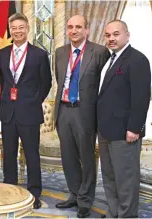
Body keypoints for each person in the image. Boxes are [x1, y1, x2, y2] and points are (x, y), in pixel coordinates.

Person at [53, 15, 110, 218]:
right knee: (68, 157)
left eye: (78, 27)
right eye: (70, 27)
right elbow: (60, 80)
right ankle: (74, 194)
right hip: (64, 110)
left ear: (86, 30)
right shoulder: (60, 53)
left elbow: (105, 84)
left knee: (86, 158)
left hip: (85, 113)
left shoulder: (100, 52)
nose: (74, 30)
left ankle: (86, 200)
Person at [0, 12, 52, 209]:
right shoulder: (2, 54)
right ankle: (10, 190)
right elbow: (1, 82)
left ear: (27, 29)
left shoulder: (39, 54)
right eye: (14, 28)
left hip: (29, 112)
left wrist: (33, 100)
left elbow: (46, 83)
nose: (17, 31)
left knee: (31, 154)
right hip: (7, 113)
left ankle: (34, 193)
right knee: (9, 154)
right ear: (10, 31)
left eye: (21, 27)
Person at [98, 19, 151, 218]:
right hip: (105, 130)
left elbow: (141, 97)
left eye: (116, 34)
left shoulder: (137, 59)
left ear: (127, 35)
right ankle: (114, 213)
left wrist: (134, 128)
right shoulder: (109, 59)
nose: (111, 38)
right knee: (110, 177)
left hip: (125, 131)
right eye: (108, 35)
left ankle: (127, 215)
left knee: (126, 180)